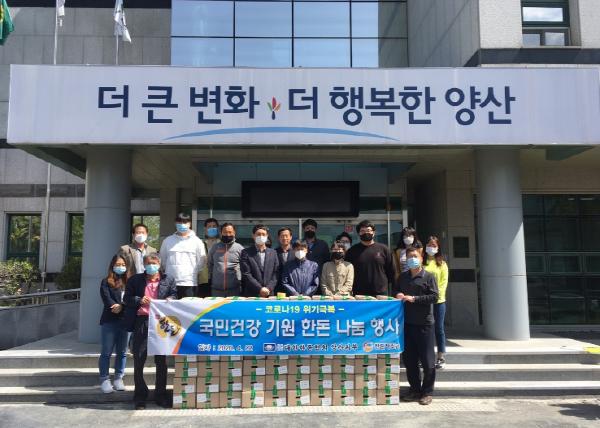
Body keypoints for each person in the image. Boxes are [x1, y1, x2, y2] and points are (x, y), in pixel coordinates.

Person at [123, 253, 177, 410]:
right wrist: (139, 300)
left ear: (159, 264)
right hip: (142, 321)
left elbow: (174, 294)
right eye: (148, 263)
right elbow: (127, 298)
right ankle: (140, 396)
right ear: (144, 265)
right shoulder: (135, 280)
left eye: (153, 263)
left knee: (161, 361)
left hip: (161, 322)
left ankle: (161, 395)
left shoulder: (168, 279)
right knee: (139, 359)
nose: (151, 266)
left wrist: (171, 299)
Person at [392, 246, 438, 406]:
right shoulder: (403, 277)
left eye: (415, 256)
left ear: (421, 258)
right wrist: (398, 294)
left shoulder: (428, 276)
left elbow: (434, 297)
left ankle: (427, 392)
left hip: (424, 324)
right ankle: (415, 390)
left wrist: (415, 299)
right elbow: (395, 291)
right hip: (407, 323)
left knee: (428, 361)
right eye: (409, 256)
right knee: (410, 360)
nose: (412, 259)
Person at [98, 255, 131, 394]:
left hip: (126, 321)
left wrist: (122, 306)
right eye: (118, 264)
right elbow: (106, 297)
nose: (121, 267)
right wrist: (114, 305)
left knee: (122, 352)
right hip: (110, 320)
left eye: (123, 264)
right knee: (106, 351)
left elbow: (132, 298)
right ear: (112, 266)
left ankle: (118, 378)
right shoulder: (106, 281)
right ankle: (104, 379)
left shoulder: (130, 282)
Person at [159, 213, 206, 299]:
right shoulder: (167, 241)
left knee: (188, 306)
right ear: (175, 223)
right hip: (170, 282)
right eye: (179, 222)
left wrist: (193, 272)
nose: (182, 225)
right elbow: (163, 259)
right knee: (170, 306)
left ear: (190, 224)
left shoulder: (197, 241)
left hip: (189, 282)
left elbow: (201, 261)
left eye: (185, 222)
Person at [345, 220, 395, 296]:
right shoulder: (352, 251)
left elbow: (391, 271)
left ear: (373, 232)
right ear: (359, 233)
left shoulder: (384, 249)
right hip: (359, 293)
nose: (366, 233)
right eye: (362, 231)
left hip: (380, 293)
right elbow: (348, 272)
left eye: (368, 230)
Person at [423, 236, 449, 369]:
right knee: (425, 329)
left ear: (438, 248)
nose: (431, 248)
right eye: (429, 245)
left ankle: (440, 356)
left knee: (439, 328)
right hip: (424, 301)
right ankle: (424, 356)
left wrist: (437, 296)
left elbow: (444, 282)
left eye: (434, 245)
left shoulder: (442, 263)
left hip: (439, 301)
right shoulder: (422, 261)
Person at [240, 224, 279, 297]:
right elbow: (246, 273)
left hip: (269, 293)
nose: (261, 236)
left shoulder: (273, 253)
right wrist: (260, 289)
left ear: (267, 236)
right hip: (252, 294)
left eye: (263, 234)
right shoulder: (245, 252)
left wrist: (268, 288)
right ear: (253, 236)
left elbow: (276, 273)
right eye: (258, 234)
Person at [208, 222, 244, 297]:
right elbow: (210, 264)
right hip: (216, 289)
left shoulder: (239, 248)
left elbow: (244, 267)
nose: (227, 234)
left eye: (230, 232)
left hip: (234, 289)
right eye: (225, 232)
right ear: (221, 233)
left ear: (234, 233)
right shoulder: (215, 247)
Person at [198, 218, 220, 297]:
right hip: (203, 281)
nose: (212, 228)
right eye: (209, 226)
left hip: (219, 280)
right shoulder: (199, 244)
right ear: (205, 229)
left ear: (217, 228)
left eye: (214, 226)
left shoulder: (222, 244)